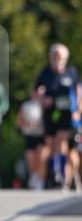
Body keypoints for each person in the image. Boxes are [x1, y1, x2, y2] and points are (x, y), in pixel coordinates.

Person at [34, 44, 79, 188]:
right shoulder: (45, 73)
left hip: (66, 113)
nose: (57, 59)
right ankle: (54, 173)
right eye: (54, 56)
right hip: (50, 113)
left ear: (65, 58)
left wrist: (77, 110)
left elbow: (78, 91)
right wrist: (42, 99)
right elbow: (35, 91)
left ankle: (62, 174)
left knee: (62, 140)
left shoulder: (71, 72)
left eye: (59, 57)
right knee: (51, 143)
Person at [17, 90, 48, 189]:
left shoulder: (45, 104)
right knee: (31, 160)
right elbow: (19, 122)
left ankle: (41, 181)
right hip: (30, 135)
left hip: (42, 136)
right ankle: (34, 177)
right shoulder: (26, 105)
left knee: (42, 157)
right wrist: (27, 124)